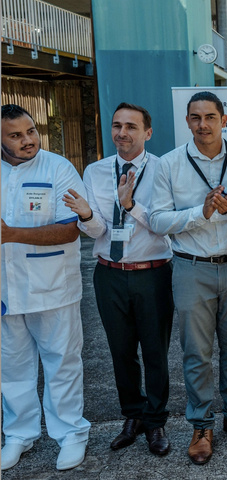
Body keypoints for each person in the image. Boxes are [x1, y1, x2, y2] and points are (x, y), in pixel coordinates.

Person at [150, 91, 227, 465]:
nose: (203, 124)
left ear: (223, 120)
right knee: (196, 353)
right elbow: (156, 220)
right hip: (191, 267)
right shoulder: (169, 164)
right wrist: (199, 212)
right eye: (195, 118)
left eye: (210, 117)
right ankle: (201, 425)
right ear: (187, 122)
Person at [63, 103, 174, 455]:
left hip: (152, 273)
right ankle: (134, 415)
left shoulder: (163, 170)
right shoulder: (95, 171)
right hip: (109, 274)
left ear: (148, 133)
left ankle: (155, 422)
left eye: (130, 126)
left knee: (155, 351)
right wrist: (86, 215)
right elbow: (97, 230)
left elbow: (164, 224)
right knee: (120, 351)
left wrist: (129, 206)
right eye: (116, 126)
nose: (122, 133)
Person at [0, 104, 91, 471]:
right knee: (12, 367)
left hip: (53, 287)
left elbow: (71, 228)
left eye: (31, 131)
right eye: (16, 135)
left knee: (62, 362)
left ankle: (70, 434)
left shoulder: (57, 168)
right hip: (7, 292)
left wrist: (11, 234)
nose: (28, 140)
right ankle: (19, 434)